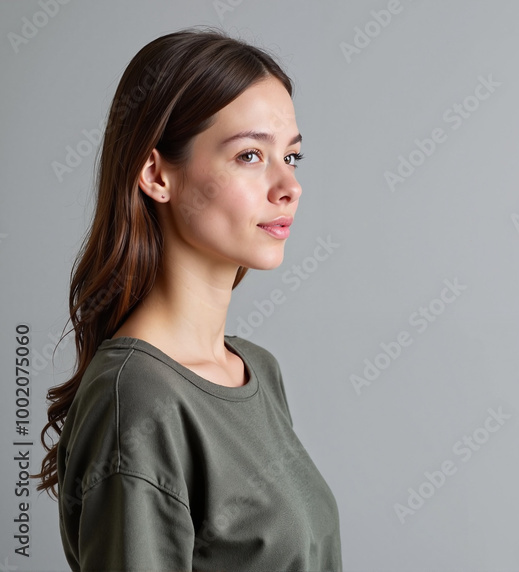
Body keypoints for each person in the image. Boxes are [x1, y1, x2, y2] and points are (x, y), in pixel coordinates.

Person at [31, 27, 342, 570]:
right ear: (157, 175)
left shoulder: (257, 370)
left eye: (292, 156)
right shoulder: (137, 400)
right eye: (250, 155)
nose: (288, 186)